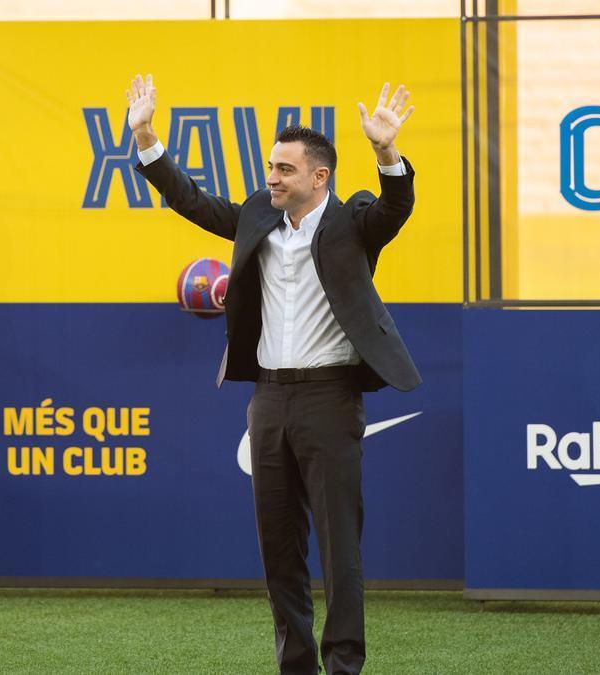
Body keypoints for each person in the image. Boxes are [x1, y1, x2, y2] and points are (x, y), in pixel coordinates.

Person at [126, 75, 421, 674]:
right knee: (278, 549)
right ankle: (296, 666)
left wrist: (388, 153)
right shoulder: (259, 214)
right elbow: (192, 200)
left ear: (320, 177)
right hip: (268, 400)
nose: (271, 177)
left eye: (285, 169)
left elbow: (397, 207)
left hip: (331, 400)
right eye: (270, 166)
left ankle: (343, 666)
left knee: (341, 553)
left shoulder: (355, 221)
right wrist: (146, 136)